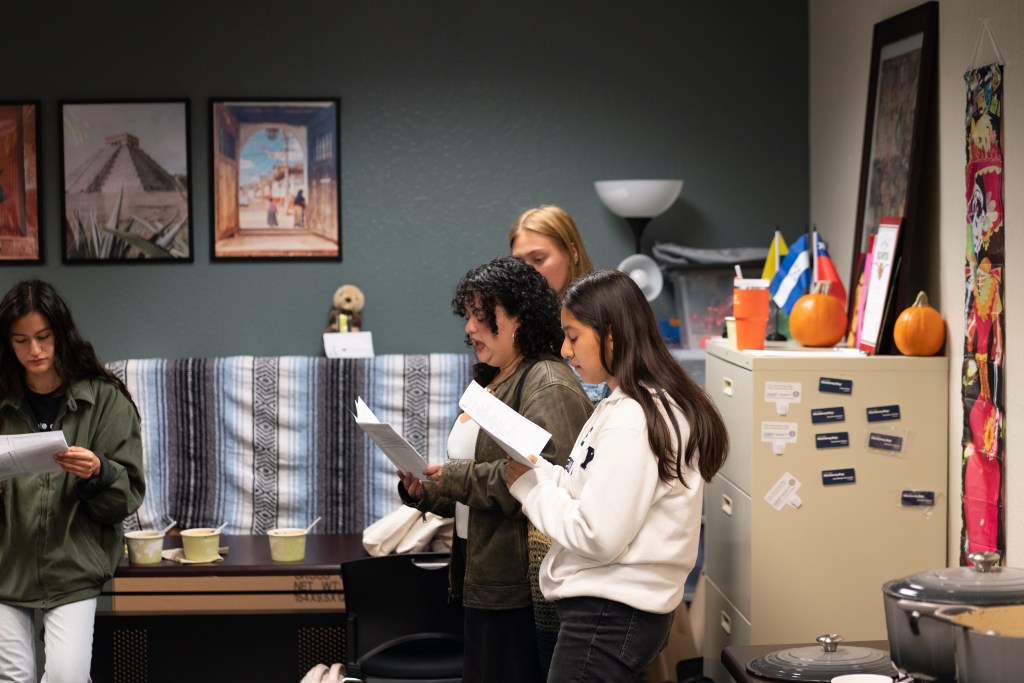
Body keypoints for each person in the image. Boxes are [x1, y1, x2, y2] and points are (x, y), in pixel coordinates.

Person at [506, 269, 729, 683]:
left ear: (611, 335)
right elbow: (587, 491)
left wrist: (530, 488)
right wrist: (539, 472)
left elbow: (597, 536)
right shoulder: (623, 404)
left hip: (608, 613)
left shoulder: (634, 418)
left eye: (573, 336)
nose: (565, 350)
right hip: (612, 610)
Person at [398, 256, 592, 683]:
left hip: (518, 589)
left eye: (482, 316)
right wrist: (428, 492)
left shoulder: (547, 382)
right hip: (481, 576)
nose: (470, 328)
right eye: (467, 315)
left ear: (520, 316)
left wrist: (455, 477)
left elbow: (544, 480)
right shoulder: (494, 379)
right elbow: (479, 481)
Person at [0, 279, 146, 682]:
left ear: (62, 334)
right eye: (21, 340)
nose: (34, 350)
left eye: (44, 337)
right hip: (5, 567)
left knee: (68, 678)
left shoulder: (106, 400)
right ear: (8, 344)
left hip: (74, 567)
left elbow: (127, 497)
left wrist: (98, 472)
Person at [509, 204, 594, 297]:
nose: (526, 273)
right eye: (519, 264)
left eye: (538, 259)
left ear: (572, 253)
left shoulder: (602, 304)